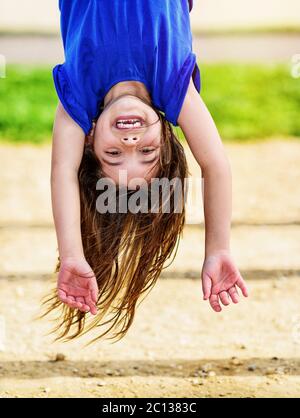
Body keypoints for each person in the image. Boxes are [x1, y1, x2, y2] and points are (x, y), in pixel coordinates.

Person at [43, 0, 248, 343]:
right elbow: (214, 165)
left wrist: (73, 255)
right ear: (167, 137)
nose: (131, 141)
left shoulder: (77, 97)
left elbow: (63, 171)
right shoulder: (173, 87)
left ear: (89, 139)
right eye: (147, 152)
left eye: (113, 154)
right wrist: (218, 249)